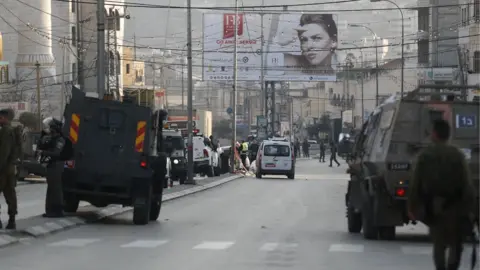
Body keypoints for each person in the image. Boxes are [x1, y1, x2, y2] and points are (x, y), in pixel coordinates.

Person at [408, 119, 476, 270]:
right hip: (456, 206)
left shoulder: (425, 155)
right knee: (456, 244)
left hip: (434, 207)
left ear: (434, 134)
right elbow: (467, 184)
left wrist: (412, 207)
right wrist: (471, 210)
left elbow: (416, 184)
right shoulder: (457, 155)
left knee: (439, 245)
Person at [38, 118, 66, 218]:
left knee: (56, 189)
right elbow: (41, 146)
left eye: (51, 128)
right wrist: (42, 137)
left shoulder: (60, 140)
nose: (49, 129)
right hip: (50, 165)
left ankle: (58, 211)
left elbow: (56, 153)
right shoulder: (51, 138)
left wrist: (44, 152)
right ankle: (49, 211)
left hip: (57, 165)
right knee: (51, 188)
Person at [0, 109, 18, 229]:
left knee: (8, 193)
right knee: (10, 194)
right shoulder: (13, 131)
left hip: (3, 168)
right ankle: (12, 220)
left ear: (4, 118)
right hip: (11, 168)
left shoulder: (6, 131)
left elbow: (4, 152)